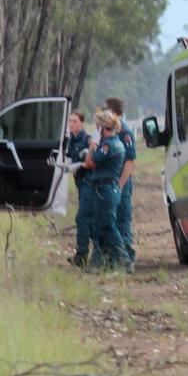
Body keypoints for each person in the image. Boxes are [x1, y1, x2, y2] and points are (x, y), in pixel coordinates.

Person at [81, 109, 128, 270]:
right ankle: (105, 262)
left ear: (102, 127)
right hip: (107, 189)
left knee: (107, 226)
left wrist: (92, 147)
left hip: (104, 189)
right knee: (101, 226)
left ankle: (124, 260)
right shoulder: (116, 143)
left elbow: (90, 163)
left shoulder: (107, 146)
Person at [103, 97, 137, 269]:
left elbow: (130, 162)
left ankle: (127, 260)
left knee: (122, 221)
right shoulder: (108, 131)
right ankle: (113, 259)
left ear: (115, 112)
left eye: (106, 110)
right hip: (109, 183)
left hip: (121, 182)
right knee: (110, 222)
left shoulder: (124, 132)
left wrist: (120, 186)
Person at [64, 111, 95, 268]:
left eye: (75, 121)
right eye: (69, 121)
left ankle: (82, 255)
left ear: (82, 122)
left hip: (89, 182)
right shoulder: (72, 140)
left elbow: (93, 152)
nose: (71, 124)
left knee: (83, 218)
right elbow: (69, 157)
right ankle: (85, 254)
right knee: (86, 218)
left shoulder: (86, 139)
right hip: (80, 183)